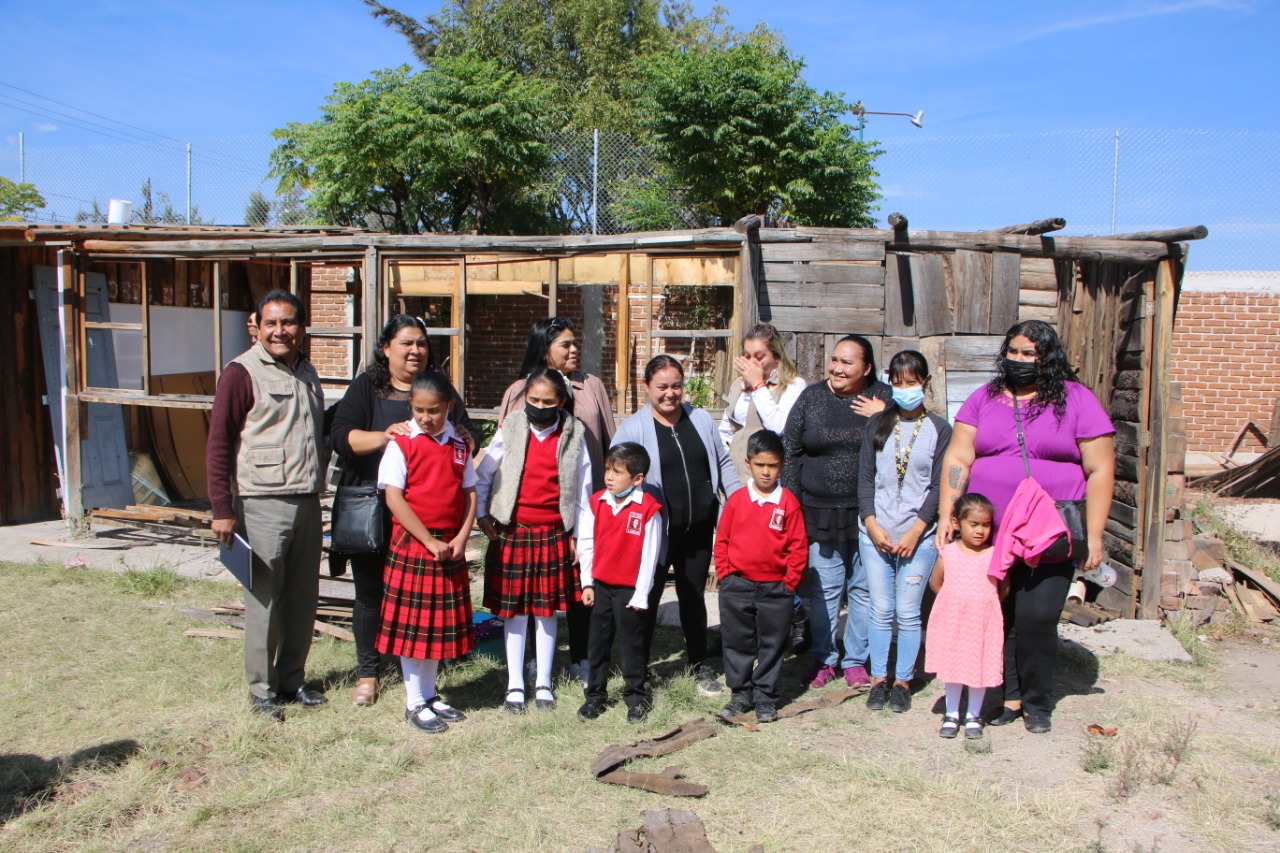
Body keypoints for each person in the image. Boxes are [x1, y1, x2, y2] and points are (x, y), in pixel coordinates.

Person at [935, 320, 1116, 734]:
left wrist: (1095, 534)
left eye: (1029, 353)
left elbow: (1101, 469)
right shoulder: (984, 398)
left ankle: (1037, 701)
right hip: (990, 533)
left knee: (1036, 617)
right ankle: (1008, 696)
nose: (1019, 360)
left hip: (1050, 533)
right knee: (998, 613)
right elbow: (959, 457)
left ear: (1047, 357)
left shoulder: (1077, 400)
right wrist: (948, 514)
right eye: (1013, 352)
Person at [329, 315, 473, 707]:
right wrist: (385, 436)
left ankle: (424, 676)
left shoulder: (439, 389)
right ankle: (369, 672)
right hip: (374, 504)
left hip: (425, 513)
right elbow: (340, 436)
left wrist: (463, 438)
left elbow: (464, 435)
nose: (415, 350)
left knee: (420, 598)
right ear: (386, 348)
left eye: (421, 343)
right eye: (407, 343)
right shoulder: (367, 387)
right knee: (369, 591)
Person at [207, 289, 327, 719]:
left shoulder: (307, 371)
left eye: (288, 322)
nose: (280, 331)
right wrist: (222, 509)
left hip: (307, 501)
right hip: (261, 502)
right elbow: (219, 443)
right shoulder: (240, 373)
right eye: (271, 323)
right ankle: (261, 690)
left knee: (302, 597)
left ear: (302, 327)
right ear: (257, 327)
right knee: (264, 601)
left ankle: (293, 679)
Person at [612, 354, 741, 696]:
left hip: (698, 530)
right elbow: (615, 478)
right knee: (647, 597)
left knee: (693, 597)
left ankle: (698, 665)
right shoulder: (633, 429)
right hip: (655, 535)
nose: (670, 393)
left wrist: (738, 503)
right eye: (662, 387)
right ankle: (638, 670)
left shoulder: (700, 419)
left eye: (676, 386)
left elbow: (723, 462)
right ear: (647, 387)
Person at [498, 316, 616, 683]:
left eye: (575, 342)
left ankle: (582, 655)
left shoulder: (590, 386)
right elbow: (504, 451)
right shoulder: (519, 391)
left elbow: (608, 440)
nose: (574, 349)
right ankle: (535, 659)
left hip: (585, 501)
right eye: (565, 344)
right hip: (534, 512)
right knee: (533, 587)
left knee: (582, 579)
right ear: (544, 348)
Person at [476, 368, 592, 714]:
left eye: (547, 402)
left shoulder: (574, 434)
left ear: (561, 402)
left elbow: (583, 492)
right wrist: (482, 514)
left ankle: (543, 681)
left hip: (553, 534)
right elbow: (485, 473)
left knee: (545, 612)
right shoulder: (510, 427)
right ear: (524, 398)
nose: (539, 407)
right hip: (513, 533)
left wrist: (577, 536)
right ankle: (514, 683)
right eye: (533, 400)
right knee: (513, 613)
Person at [781, 335, 890, 690]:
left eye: (847, 362)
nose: (837, 368)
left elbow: (907, 440)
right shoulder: (811, 398)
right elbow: (790, 449)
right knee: (825, 590)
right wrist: (793, 503)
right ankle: (824, 658)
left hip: (868, 514)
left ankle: (856, 660)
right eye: (834, 360)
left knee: (863, 589)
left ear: (867, 368)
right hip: (818, 512)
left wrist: (885, 416)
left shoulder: (883, 397)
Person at [377, 370, 478, 733]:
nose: (425, 417)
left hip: (449, 544)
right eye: (418, 410)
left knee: (436, 624)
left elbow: (470, 492)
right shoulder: (401, 443)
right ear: (411, 405)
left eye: (433, 410)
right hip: (415, 544)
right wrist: (428, 540)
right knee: (414, 627)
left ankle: (430, 694)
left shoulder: (460, 444)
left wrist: (462, 536)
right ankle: (414, 701)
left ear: (449, 406)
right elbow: (394, 497)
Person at [857, 351, 952, 714]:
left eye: (911, 382)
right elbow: (865, 478)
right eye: (898, 383)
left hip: (919, 536)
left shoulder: (940, 430)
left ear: (925, 383)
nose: (904, 389)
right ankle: (879, 678)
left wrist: (916, 531)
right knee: (881, 609)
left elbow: (938, 487)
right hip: (876, 534)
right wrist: (871, 523)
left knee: (908, 611)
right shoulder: (877, 424)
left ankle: (903, 682)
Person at [714, 430, 807, 724]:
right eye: (760, 465)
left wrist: (789, 583)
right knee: (737, 641)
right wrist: (725, 575)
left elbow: (798, 546)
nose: (766, 472)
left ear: (782, 466)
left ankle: (765, 696)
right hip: (737, 586)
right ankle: (740, 694)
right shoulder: (737, 501)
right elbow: (722, 540)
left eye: (773, 465)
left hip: (776, 589)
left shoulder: (788, 502)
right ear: (748, 463)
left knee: (772, 643)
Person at [576, 442, 665, 724]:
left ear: (637, 479)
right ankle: (595, 696)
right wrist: (587, 583)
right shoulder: (597, 503)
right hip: (601, 587)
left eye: (617, 472)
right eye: (607, 470)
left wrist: (641, 594)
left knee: (631, 646)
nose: (609, 477)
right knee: (597, 644)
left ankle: (636, 698)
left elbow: (650, 557)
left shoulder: (648, 509)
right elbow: (586, 544)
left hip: (630, 591)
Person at [924, 494, 1004, 740]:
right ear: (957, 523)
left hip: (982, 622)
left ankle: (973, 715)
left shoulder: (993, 554)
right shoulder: (948, 552)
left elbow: (1004, 588)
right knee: (954, 664)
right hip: (954, 620)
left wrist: (985, 605)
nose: (980, 530)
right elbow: (936, 583)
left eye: (986, 525)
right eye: (974, 524)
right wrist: (954, 601)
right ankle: (951, 714)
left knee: (978, 666)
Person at [718, 323, 807, 485]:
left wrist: (758, 385)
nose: (751, 363)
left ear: (776, 356)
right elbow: (726, 430)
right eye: (746, 356)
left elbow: (779, 427)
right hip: (735, 478)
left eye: (759, 358)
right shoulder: (738, 384)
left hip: (768, 481)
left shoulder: (793, 385)